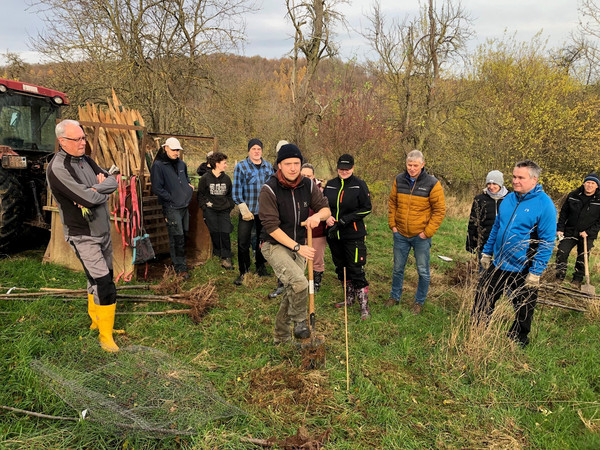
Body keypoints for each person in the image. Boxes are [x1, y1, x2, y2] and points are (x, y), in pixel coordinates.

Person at [47, 119, 120, 352]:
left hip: (102, 229)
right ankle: (105, 336)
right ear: (62, 142)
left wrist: (95, 189)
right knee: (103, 281)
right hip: (83, 234)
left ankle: (97, 322)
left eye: (83, 138)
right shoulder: (58, 168)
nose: (82, 143)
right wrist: (98, 193)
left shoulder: (86, 160)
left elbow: (112, 181)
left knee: (101, 276)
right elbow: (89, 199)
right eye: (76, 139)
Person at [472, 160, 557, 347]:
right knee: (483, 295)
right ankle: (477, 329)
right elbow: (497, 227)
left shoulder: (545, 205)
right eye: (514, 176)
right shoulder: (509, 199)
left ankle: (518, 339)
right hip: (500, 262)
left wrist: (536, 272)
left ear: (534, 180)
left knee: (524, 307)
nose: (515, 181)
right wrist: (487, 253)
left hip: (524, 267)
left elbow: (547, 242)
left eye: (520, 177)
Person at [258, 143, 330, 344]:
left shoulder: (307, 185)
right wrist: (298, 247)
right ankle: (300, 322)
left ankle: (280, 337)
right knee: (299, 283)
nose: (292, 168)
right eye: (287, 163)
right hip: (274, 244)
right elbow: (271, 227)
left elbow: (325, 209)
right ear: (279, 165)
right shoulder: (269, 190)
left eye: (296, 163)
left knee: (292, 290)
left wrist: (318, 217)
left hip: (299, 243)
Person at [386, 150, 446, 314]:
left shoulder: (432, 183)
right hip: (401, 234)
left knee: (423, 271)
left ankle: (419, 302)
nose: (412, 168)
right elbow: (392, 203)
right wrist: (393, 225)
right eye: (409, 165)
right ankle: (394, 296)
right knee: (398, 268)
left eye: (415, 165)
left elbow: (439, 210)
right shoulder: (399, 180)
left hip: (421, 236)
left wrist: (427, 232)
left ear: (422, 165)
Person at [324, 154, 372, 319]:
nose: (344, 171)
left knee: (355, 268)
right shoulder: (330, 185)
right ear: (337, 168)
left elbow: (366, 208)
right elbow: (323, 205)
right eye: (341, 168)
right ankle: (349, 298)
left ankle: (364, 306)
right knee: (341, 268)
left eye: (347, 168)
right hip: (333, 234)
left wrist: (346, 219)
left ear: (352, 168)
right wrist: (327, 216)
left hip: (353, 233)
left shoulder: (359, 185)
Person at [150, 137, 194, 279]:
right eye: (174, 150)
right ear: (166, 148)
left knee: (184, 234)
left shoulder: (182, 164)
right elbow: (157, 188)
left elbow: (186, 180)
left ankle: (181, 262)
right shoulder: (159, 165)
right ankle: (180, 268)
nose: (176, 152)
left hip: (183, 206)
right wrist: (171, 198)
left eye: (178, 150)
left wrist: (188, 189)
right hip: (171, 207)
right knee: (177, 237)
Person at [232, 138, 273, 285]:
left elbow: (272, 189)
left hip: (263, 211)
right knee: (243, 241)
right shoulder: (241, 167)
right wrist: (242, 207)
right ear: (249, 150)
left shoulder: (268, 167)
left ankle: (261, 267)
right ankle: (244, 272)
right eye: (254, 149)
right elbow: (236, 190)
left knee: (262, 241)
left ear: (262, 151)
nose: (256, 151)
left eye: (259, 149)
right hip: (247, 212)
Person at [555, 173, 600, 288]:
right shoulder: (573, 195)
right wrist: (560, 229)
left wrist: (588, 232)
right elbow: (564, 213)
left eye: (593, 183)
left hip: (587, 235)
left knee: (582, 257)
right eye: (588, 182)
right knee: (562, 252)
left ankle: (577, 280)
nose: (590, 185)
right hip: (570, 231)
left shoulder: (599, 200)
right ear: (584, 183)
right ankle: (559, 276)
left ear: (597, 186)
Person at [197, 152, 235, 270]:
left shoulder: (227, 179)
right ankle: (217, 252)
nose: (226, 165)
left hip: (224, 210)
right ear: (217, 164)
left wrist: (229, 206)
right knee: (214, 231)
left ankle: (226, 256)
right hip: (211, 210)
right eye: (224, 163)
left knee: (225, 231)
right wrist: (205, 207)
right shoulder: (205, 178)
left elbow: (230, 194)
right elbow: (201, 195)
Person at [466, 170, 509, 266]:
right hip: (484, 242)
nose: (491, 186)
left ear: (500, 184)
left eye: (494, 183)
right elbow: (473, 221)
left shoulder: (510, 198)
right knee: (484, 271)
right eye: (489, 183)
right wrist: (470, 242)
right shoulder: (480, 199)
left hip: (504, 242)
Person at [301, 163, 327, 293]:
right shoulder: (295, 189)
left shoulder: (320, 191)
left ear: (313, 176)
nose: (306, 178)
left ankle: (316, 283)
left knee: (316, 258)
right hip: (299, 231)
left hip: (317, 232)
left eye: (308, 176)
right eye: (303, 175)